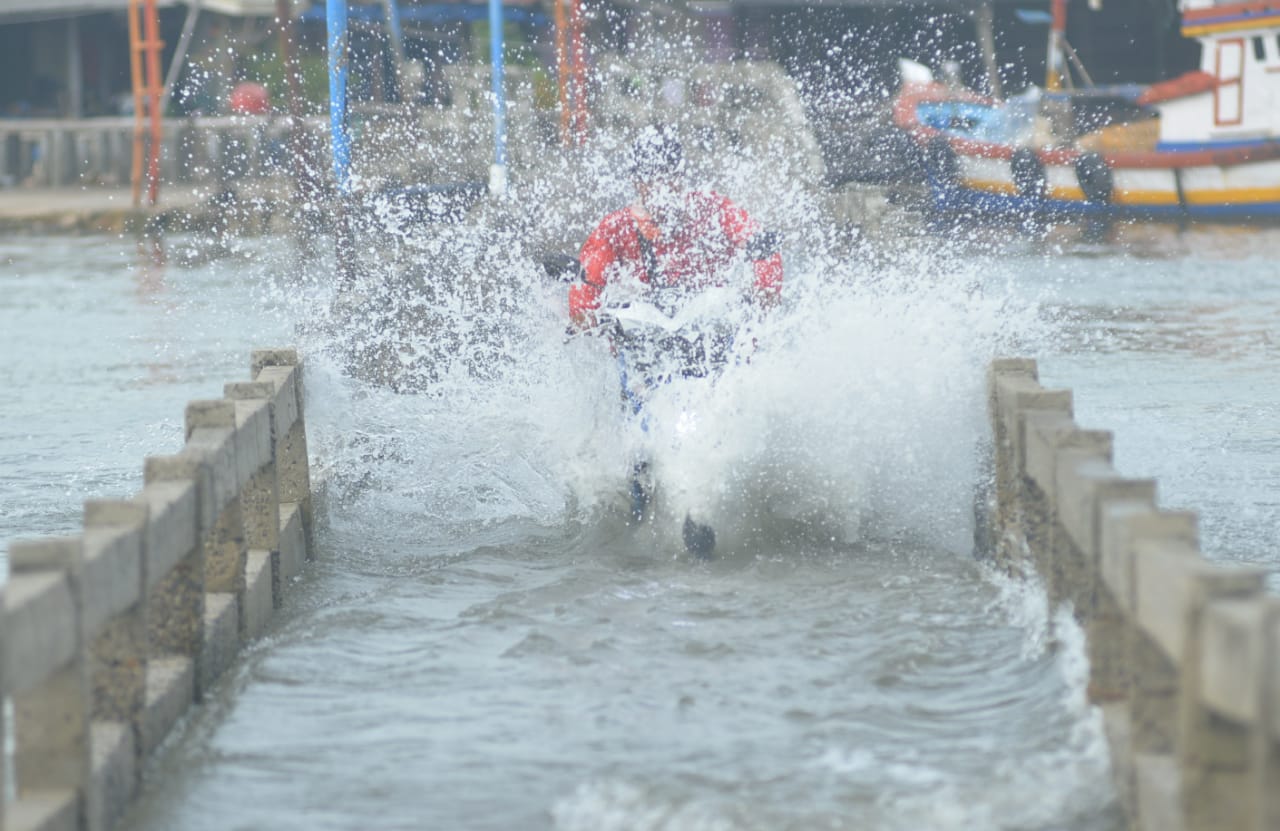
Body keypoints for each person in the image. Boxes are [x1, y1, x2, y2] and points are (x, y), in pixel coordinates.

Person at [568, 125, 783, 335]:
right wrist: (586, 316)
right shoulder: (615, 228)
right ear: (636, 182)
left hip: (711, 331)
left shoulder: (712, 209)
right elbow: (586, 290)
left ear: (680, 177)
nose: (660, 186)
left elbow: (759, 244)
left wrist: (762, 298)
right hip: (643, 337)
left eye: (668, 176)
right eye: (649, 178)